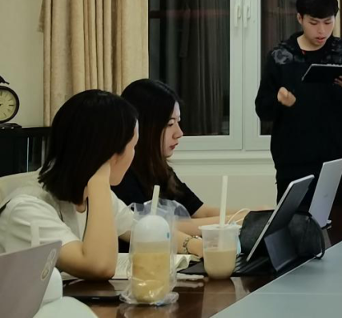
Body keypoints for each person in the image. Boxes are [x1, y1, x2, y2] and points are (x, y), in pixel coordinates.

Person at [0, 90, 203, 281]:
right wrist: (99, 178)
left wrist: (196, 245)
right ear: (110, 153)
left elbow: (144, 229)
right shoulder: (27, 209)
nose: (133, 156)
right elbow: (99, 266)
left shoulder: (88, 193)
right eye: (133, 146)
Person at [255, 0, 342, 206]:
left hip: (339, 160)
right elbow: (262, 110)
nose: (321, 30)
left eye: (328, 22)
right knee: (296, 222)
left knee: (340, 222)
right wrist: (279, 101)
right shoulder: (281, 57)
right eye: (314, 22)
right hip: (294, 162)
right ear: (300, 18)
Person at [113, 79, 253, 236]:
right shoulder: (121, 175)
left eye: (178, 122)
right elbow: (158, 227)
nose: (179, 133)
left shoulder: (160, 169)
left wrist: (252, 214)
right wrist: (240, 221)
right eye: (170, 124)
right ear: (143, 127)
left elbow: (202, 212)